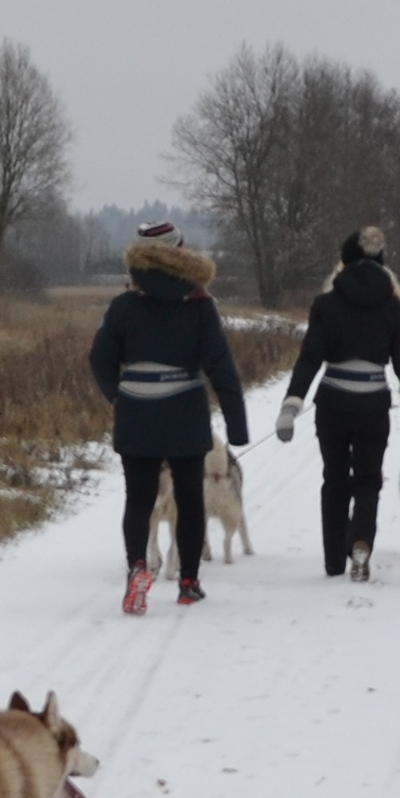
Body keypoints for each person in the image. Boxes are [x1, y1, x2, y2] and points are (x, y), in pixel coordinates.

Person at [91, 219, 249, 614]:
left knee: (139, 498)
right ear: (182, 253)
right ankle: (189, 582)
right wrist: (237, 424)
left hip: (137, 412)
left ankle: (137, 570)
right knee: (190, 498)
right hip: (184, 411)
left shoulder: (124, 306)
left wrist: (116, 394)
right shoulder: (198, 305)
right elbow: (220, 367)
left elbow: (100, 358)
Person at [275, 222, 400, 579]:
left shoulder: (325, 305)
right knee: (369, 480)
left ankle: (332, 560)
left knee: (335, 479)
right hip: (373, 403)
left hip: (333, 404)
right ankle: (361, 544)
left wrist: (291, 404)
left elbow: (310, 357)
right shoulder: (392, 306)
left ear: (343, 264)